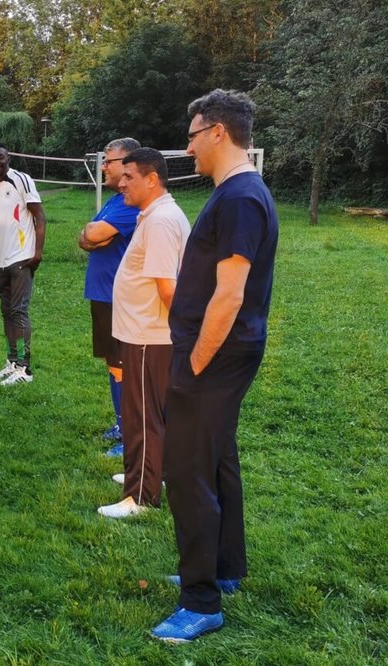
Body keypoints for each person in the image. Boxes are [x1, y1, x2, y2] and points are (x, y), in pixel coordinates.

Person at [150, 89, 279, 643]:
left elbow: (229, 295)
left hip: (216, 357)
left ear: (219, 132)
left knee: (188, 472)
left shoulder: (240, 198)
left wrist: (195, 363)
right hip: (226, 354)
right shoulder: (236, 194)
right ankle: (223, 569)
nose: (189, 145)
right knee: (218, 460)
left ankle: (199, 600)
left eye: (194, 134)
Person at [96, 148, 189, 520]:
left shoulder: (162, 221)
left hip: (151, 336)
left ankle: (140, 496)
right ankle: (150, 474)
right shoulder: (152, 216)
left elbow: (169, 289)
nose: (121, 183)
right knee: (146, 415)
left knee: (143, 417)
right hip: (143, 333)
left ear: (152, 179)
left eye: (129, 177)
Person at [78, 138, 141, 455]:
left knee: (124, 366)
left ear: (129, 164)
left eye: (109, 161)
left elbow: (93, 234)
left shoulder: (133, 203)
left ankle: (132, 435)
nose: (103, 166)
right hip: (103, 296)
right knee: (113, 363)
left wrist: (93, 235)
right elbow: (87, 236)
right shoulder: (116, 200)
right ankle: (122, 425)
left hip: (120, 298)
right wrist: (92, 235)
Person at [0, 142, 46, 385]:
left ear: (8, 158)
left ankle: (24, 368)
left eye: (0, 157)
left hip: (21, 257)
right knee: (7, 312)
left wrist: (37, 252)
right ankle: (12, 362)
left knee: (18, 312)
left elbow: (39, 216)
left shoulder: (21, 180)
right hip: (1, 261)